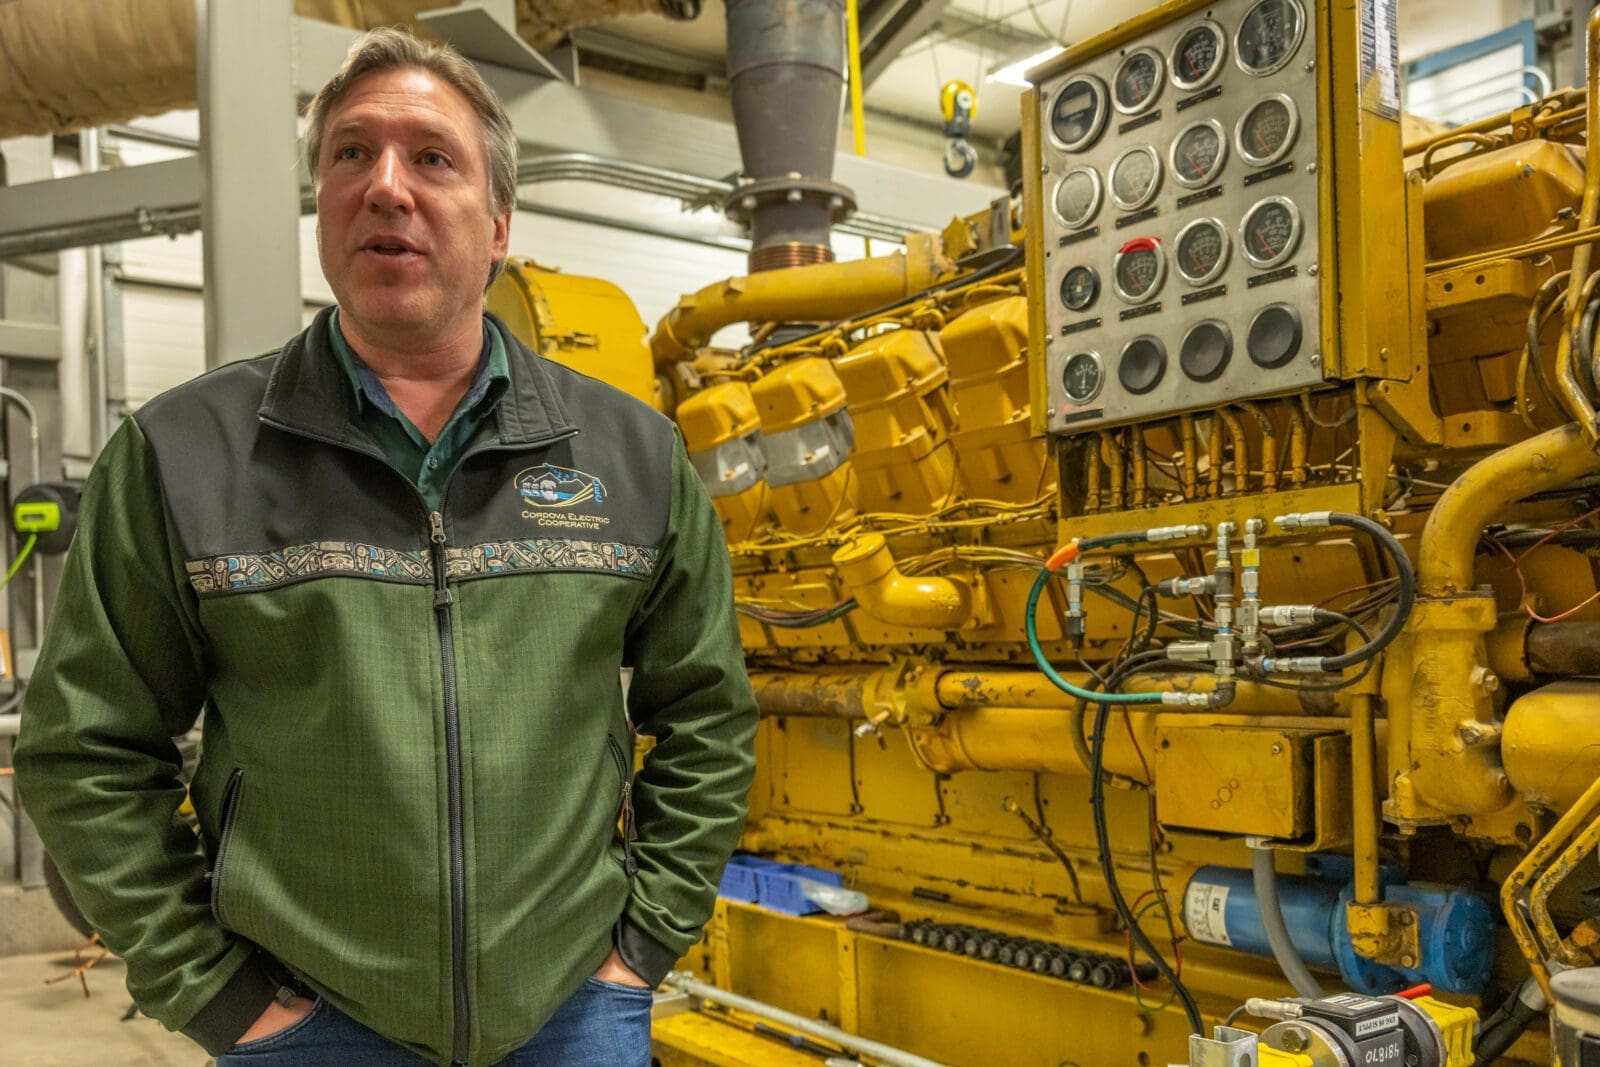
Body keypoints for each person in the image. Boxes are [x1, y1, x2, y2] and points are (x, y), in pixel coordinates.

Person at [14, 26, 757, 1067]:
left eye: (432, 158)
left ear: (498, 222)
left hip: (570, 1011)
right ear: (321, 202)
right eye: (350, 154)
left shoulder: (632, 453)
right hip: (305, 1021)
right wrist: (218, 993)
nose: (386, 186)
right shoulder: (184, 453)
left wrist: (638, 945)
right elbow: (83, 747)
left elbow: (707, 714)